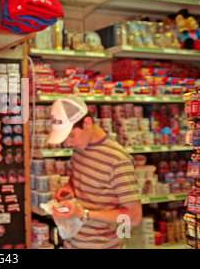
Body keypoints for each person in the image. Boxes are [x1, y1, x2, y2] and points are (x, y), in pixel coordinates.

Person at [47, 95, 142, 249]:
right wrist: (68, 188)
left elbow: (134, 217)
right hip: (72, 243)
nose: (69, 143)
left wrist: (84, 214)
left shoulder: (118, 160)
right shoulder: (80, 148)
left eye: (71, 135)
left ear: (87, 122)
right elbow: (76, 179)